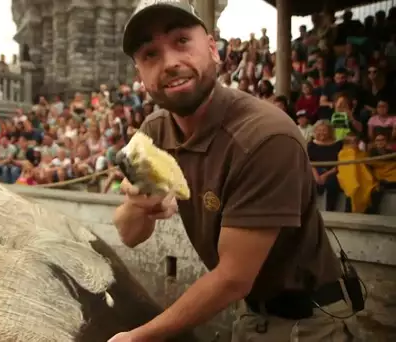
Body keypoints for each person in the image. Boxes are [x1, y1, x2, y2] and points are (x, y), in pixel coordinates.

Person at [109, 1, 357, 341]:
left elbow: (233, 277)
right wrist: (141, 206)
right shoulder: (153, 132)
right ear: (139, 74)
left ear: (212, 48)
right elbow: (128, 234)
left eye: (182, 41)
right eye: (150, 54)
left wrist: (137, 337)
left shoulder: (265, 137)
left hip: (309, 321)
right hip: (250, 312)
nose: (170, 63)